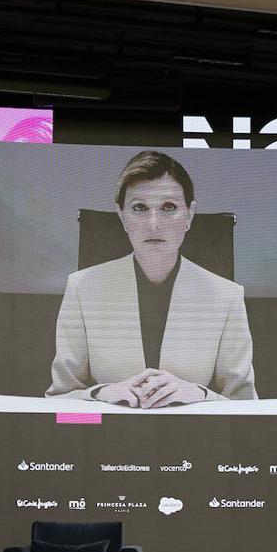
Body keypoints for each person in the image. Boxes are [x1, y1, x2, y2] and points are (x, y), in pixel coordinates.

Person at [46, 150, 257, 407]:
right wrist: (100, 393)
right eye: (139, 208)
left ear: (189, 215)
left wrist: (201, 394)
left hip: (192, 431)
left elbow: (245, 406)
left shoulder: (227, 296)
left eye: (169, 208)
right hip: (109, 429)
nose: (154, 224)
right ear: (122, 216)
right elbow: (59, 401)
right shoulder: (81, 288)